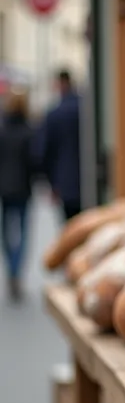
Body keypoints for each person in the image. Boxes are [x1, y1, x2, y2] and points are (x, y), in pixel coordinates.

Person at [0, 92, 34, 298]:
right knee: (22, 232)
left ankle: (11, 268)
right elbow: (35, 160)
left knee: (6, 233)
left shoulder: (2, 131)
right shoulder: (28, 132)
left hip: (4, 189)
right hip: (23, 188)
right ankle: (16, 269)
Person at [39, 70, 81, 220]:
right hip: (88, 176)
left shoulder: (55, 113)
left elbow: (45, 151)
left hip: (65, 180)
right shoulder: (84, 109)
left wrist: (51, 182)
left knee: (70, 225)